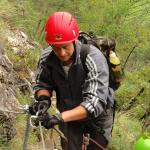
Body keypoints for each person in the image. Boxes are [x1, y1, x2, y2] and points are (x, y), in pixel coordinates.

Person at [29, 11, 115, 150]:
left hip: (98, 118)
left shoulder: (93, 57)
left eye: (65, 46)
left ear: (74, 41)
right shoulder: (47, 58)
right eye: (56, 48)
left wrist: (59, 118)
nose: (62, 53)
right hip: (68, 113)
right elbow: (42, 83)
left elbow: (95, 102)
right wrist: (43, 99)